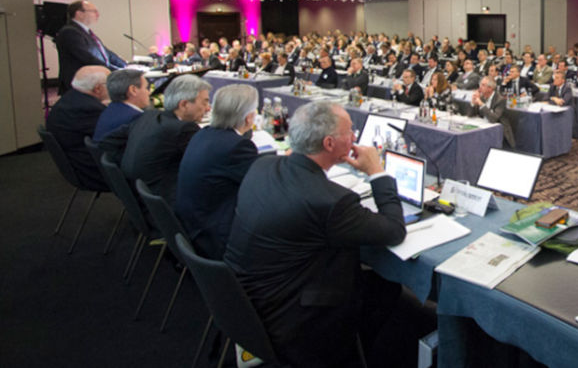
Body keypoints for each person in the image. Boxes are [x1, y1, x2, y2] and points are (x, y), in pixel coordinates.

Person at [224, 101, 411, 367]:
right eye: (350, 132)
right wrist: (377, 172)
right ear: (329, 143)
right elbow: (394, 230)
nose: (354, 137)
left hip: (243, 301)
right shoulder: (331, 202)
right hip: (292, 320)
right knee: (384, 286)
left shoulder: (262, 165)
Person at [174, 85, 261, 259]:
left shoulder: (204, 133)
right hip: (215, 237)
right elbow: (263, 186)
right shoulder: (236, 147)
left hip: (193, 224)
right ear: (249, 117)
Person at [100, 74, 210, 204]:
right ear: (184, 104)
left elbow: (107, 141)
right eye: (205, 102)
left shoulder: (148, 116)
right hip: (166, 200)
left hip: (140, 194)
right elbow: (205, 166)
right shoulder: (183, 129)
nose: (208, 108)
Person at [46, 65, 111, 191]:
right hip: (93, 173)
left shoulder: (73, 99)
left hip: (78, 163)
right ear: (98, 88)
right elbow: (116, 135)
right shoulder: (88, 109)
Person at [53, 0, 127, 94]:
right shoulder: (69, 32)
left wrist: (124, 65)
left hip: (92, 82)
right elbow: (88, 58)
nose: (97, 14)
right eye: (93, 11)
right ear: (79, 14)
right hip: (80, 85)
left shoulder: (86, 32)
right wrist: (116, 71)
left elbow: (106, 52)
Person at [93, 68, 150, 141]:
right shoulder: (135, 118)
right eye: (146, 88)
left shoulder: (110, 109)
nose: (149, 92)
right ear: (133, 90)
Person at [468, 77, 512, 147]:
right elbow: (470, 115)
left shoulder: (500, 100)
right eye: (480, 84)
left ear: (490, 88)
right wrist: (473, 103)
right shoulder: (482, 97)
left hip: (498, 132)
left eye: (483, 85)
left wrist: (481, 104)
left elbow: (493, 119)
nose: (480, 87)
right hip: (483, 128)